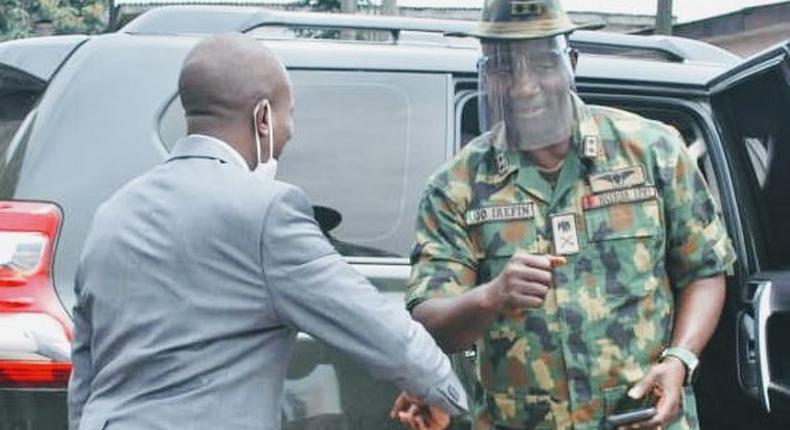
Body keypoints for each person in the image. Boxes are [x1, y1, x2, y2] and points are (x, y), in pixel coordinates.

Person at [67, 34, 467, 430]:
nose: (288, 134)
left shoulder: (113, 211)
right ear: (262, 117)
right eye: (287, 116)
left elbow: (85, 370)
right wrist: (450, 395)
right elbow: (380, 329)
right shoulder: (267, 212)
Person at [393, 0, 736, 429]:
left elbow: (704, 271)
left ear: (570, 63)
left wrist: (680, 359)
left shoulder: (653, 151)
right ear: (486, 73)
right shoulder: (456, 186)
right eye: (503, 68)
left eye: (540, 63)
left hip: (638, 419)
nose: (523, 86)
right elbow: (432, 322)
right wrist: (491, 296)